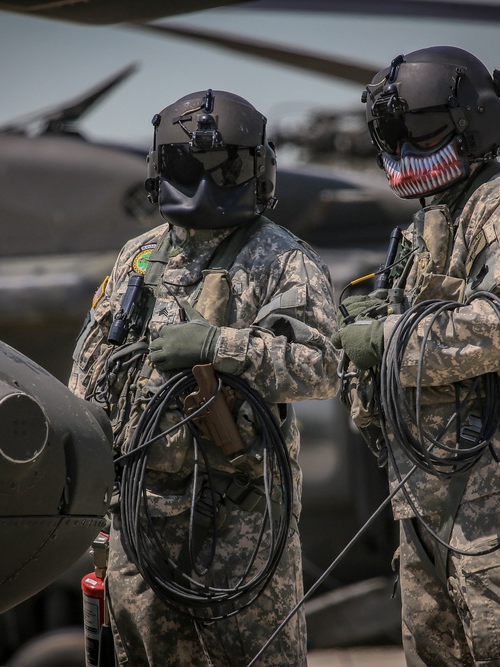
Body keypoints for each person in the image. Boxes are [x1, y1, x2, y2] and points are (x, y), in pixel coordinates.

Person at [68, 89, 340, 667]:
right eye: (190, 168)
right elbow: (91, 369)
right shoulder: (139, 257)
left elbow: (322, 367)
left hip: (238, 520)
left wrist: (223, 347)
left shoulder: (282, 259)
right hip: (140, 518)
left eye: (227, 168)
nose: (207, 184)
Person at [332, 46, 500, 666]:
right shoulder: (428, 222)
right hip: (424, 490)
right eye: (396, 132)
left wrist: (387, 339)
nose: (409, 147)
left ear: (471, 122)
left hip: (496, 489)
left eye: (422, 130)